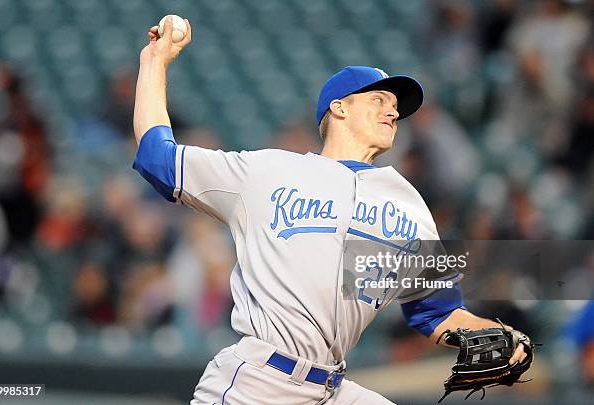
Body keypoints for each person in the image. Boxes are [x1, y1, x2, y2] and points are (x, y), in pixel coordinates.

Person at [132, 18, 530, 405]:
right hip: (257, 382)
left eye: (395, 107)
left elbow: (436, 311)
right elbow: (157, 157)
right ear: (339, 108)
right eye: (379, 100)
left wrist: (494, 332)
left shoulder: (409, 203)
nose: (392, 112)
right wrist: (155, 62)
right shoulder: (267, 171)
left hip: (330, 387)